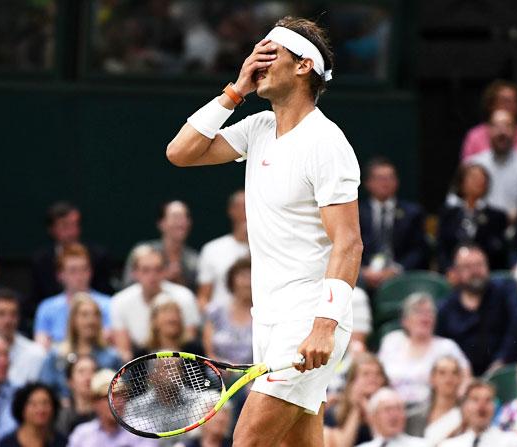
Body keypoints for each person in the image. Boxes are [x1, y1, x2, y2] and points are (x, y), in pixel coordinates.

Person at [166, 16, 363, 447]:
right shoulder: (258, 129)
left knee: (248, 442)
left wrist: (324, 325)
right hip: (269, 321)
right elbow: (180, 152)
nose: (258, 62)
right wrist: (234, 91)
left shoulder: (326, 142)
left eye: (270, 54)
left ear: (303, 66)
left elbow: (349, 241)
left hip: (308, 319)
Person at [436, 244, 517, 376]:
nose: (475, 271)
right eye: (467, 267)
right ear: (455, 273)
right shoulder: (446, 308)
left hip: (505, 370)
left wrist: (501, 361)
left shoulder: (505, 290)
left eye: (479, 265)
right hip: (463, 378)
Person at [378, 293, 471, 406]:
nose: (425, 316)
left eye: (429, 312)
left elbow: (466, 379)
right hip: (392, 409)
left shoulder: (447, 346)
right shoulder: (391, 341)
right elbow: (378, 376)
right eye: (418, 311)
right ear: (405, 320)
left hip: (432, 410)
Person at [111, 245, 200, 361]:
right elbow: (124, 352)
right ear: (134, 273)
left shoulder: (184, 297)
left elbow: (188, 343)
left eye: (158, 269)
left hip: (182, 365)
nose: (152, 276)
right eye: (146, 270)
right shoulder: (119, 301)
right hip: (138, 365)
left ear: (165, 271)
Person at [359, 158, 430, 291]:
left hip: (402, 277)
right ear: (368, 183)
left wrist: (396, 270)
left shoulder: (412, 213)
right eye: (380, 178)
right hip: (364, 276)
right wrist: (362, 271)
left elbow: (420, 250)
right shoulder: (357, 213)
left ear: (397, 182)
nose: (385, 183)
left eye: (390, 178)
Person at [467, 109, 517, 222]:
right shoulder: (473, 164)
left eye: (507, 126)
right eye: (496, 126)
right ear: (488, 130)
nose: (502, 132)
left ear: (516, 131)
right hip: (479, 226)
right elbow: (456, 201)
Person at [39, 293, 121, 400]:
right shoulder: (56, 356)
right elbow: (44, 392)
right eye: (84, 315)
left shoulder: (112, 357)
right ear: (73, 320)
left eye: (96, 315)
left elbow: (122, 393)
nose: (91, 321)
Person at [30, 201, 111, 307]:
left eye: (75, 224)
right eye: (65, 226)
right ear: (52, 229)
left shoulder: (98, 256)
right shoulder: (41, 260)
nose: (71, 232)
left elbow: (104, 292)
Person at [34, 243, 112, 350]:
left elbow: (107, 343)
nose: (79, 276)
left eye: (84, 269)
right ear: (60, 275)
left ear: (91, 272)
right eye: (73, 270)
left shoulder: (108, 304)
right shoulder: (46, 307)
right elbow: (41, 348)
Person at [437, 163, 508, 272]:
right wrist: (448, 270)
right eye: (473, 177)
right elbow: (441, 247)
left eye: (482, 178)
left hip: (485, 273)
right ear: (461, 183)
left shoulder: (496, 216)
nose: (478, 182)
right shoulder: (448, 214)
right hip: (453, 273)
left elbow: (498, 251)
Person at [67, 369, 159, 446]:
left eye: (121, 394)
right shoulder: (81, 435)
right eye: (109, 397)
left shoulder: (144, 429)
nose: (118, 401)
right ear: (94, 402)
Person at [461, 79, 517, 163]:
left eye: (513, 102)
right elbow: (467, 171)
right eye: (504, 101)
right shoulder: (475, 136)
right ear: (491, 104)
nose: (508, 106)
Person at [122, 200, 198, 290]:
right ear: (161, 223)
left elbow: (198, 297)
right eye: (175, 217)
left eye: (185, 217)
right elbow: (126, 287)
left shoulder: (194, 260)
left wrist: (180, 280)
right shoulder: (142, 252)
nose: (181, 222)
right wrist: (160, 277)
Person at [196, 190, 249, 312]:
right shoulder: (212, 250)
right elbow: (203, 297)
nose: (247, 211)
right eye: (242, 206)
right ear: (231, 210)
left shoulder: (268, 250)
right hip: (221, 323)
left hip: (258, 319)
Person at [324, 353, 389, 447]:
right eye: (366, 374)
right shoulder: (334, 412)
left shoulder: (393, 407)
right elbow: (343, 445)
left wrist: (366, 407)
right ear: (353, 380)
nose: (373, 378)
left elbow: (386, 441)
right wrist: (356, 408)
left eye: (378, 374)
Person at [439, 381, 517, 447]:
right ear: (464, 407)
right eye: (475, 399)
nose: (481, 406)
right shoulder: (449, 445)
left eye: (488, 400)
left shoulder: (512, 442)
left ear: (494, 407)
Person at [203, 258, 253, 365]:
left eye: (251, 277)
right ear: (231, 280)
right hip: (219, 375)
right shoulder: (215, 310)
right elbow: (209, 353)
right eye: (243, 276)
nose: (247, 283)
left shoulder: (264, 315)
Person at [406, 356, 464, 446]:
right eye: (442, 373)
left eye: (454, 373)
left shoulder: (467, 415)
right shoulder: (414, 417)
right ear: (432, 378)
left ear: (460, 378)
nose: (449, 378)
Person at [0, 383, 67, 447]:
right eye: (33, 404)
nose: (40, 409)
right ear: (22, 408)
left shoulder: (63, 443)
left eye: (45, 403)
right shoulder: (6, 444)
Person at [356, 388, 430, 447]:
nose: (394, 414)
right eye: (387, 409)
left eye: (398, 409)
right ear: (374, 417)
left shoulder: (423, 445)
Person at [55, 355, 97, 437]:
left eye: (93, 371)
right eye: (81, 372)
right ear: (70, 381)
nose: (88, 377)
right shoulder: (60, 416)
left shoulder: (108, 414)